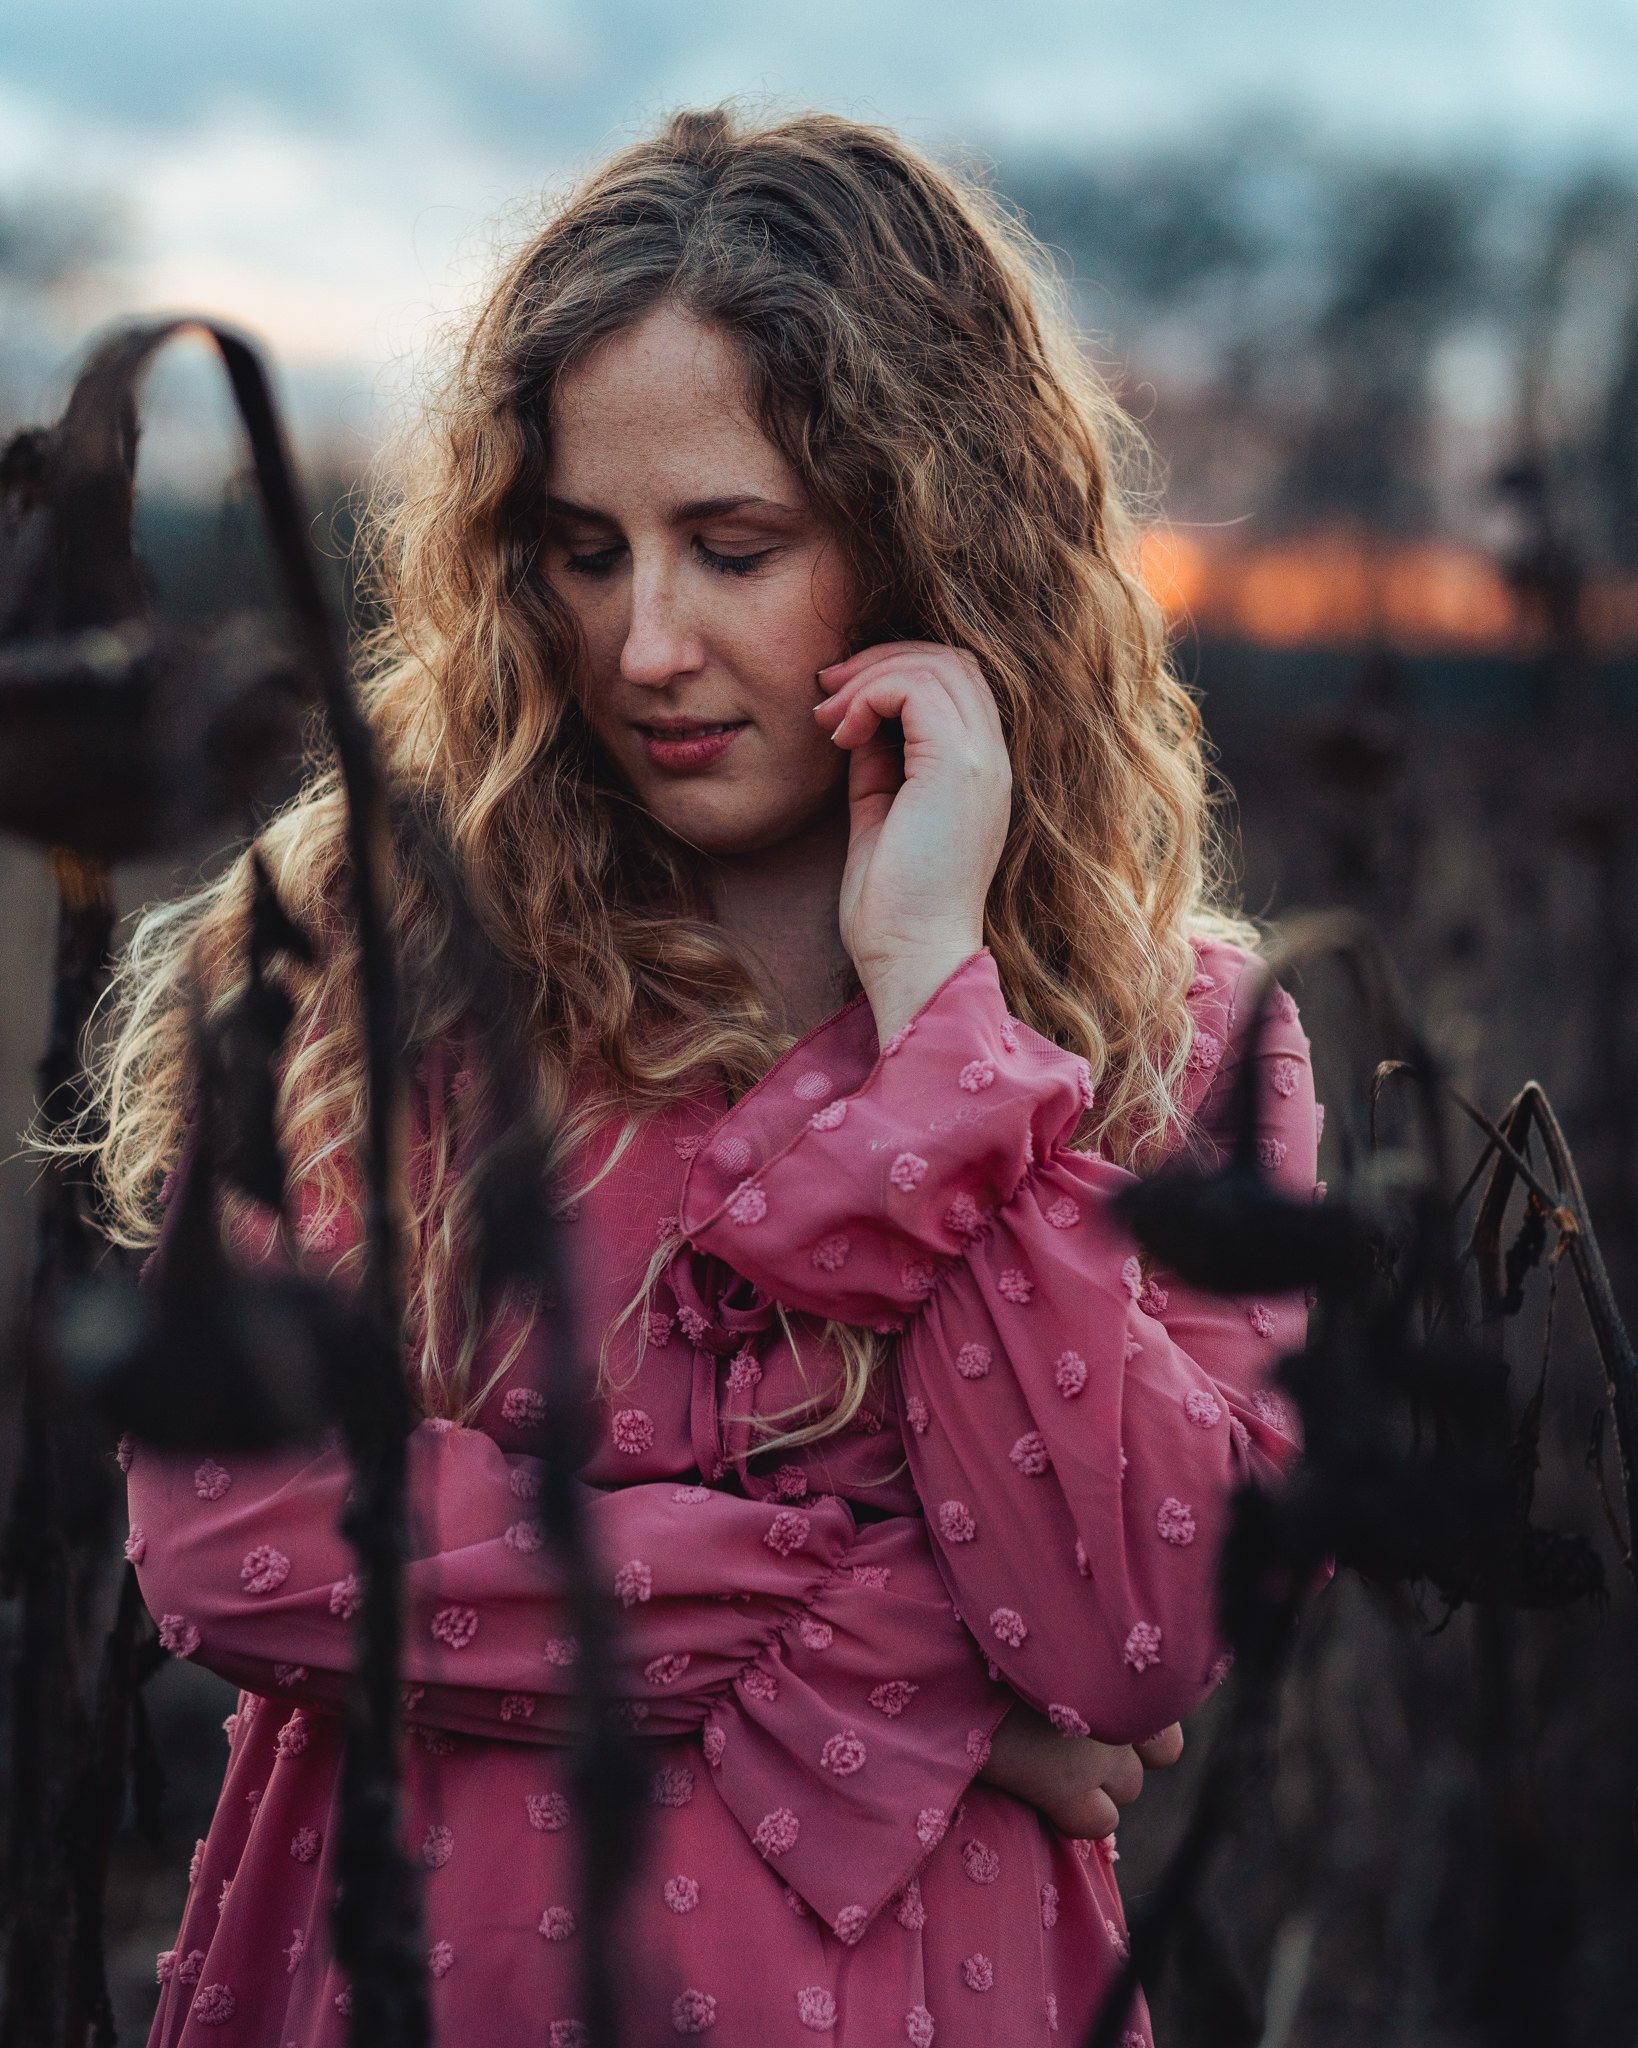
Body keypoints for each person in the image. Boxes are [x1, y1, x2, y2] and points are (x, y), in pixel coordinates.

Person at [82, 106, 1319, 2047]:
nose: (644, 643)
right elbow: (237, 1526)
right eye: (586, 552)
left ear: (936, 541)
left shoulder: (1178, 1035)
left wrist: (940, 1007)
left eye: (733, 546)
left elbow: (1134, 1626)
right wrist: (877, 1665)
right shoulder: (376, 957)